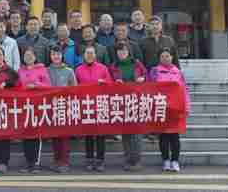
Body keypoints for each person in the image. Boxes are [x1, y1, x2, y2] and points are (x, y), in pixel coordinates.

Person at [148, 48, 191, 173]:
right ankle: (166, 160)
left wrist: (186, 106)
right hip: (161, 107)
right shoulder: (155, 71)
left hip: (175, 108)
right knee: (163, 136)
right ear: (159, 58)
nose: (165, 58)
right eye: (162, 56)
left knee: (174, 136)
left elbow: (184, 90)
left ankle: (175, 160)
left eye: (167, 56)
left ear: (172, 57)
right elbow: (150, 88)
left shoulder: (178, 72)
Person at [108, 42, 147, 171]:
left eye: (124, 50)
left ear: (129, 51)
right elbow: (109, 81)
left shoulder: (137, 63)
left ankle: (136, 160)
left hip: (137, 100)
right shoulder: (113, 66)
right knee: (125, 132)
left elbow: (146, 75)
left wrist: (143, 79)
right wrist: (115, 82)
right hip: (121, 101)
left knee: (137, 132)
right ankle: (128, 159)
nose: (122, 53)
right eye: (119, 51)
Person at [75, 46, 112, 172]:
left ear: (95, 55)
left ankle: (100, 160)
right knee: (89, 135)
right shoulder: (78, 69)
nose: (89, 55)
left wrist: (104, 83)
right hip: (86, 105)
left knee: (100, 135)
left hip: (100, 104)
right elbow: (74, 87)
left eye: (91, 53)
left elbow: (111, 84)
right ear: (84, 55)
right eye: (87, 53)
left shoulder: (103, 68)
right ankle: (89, 159)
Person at [18, 47, 51, 173]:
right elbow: (17, 86)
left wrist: (36, 85)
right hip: (24, 106)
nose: (28, 57)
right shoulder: (20, 70)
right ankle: (28, 162)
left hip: (38, 105)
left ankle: (36, 162)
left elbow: (48, 86)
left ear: (35, 57)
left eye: (30, 55)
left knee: (36, 135)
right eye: (26, 55)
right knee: (26, 135)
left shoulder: (42, 69)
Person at [48, 45, 77, 172]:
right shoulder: (46, 70)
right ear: (50, 56)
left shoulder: (69, 71)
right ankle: (56, 160)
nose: (56, 56)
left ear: (62, 56)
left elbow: (74, 89)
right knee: (54, 136)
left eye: (58, 54)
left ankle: (64, 162)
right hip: (50, 106)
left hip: (65, 106)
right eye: (54, 54)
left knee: (64, 136)